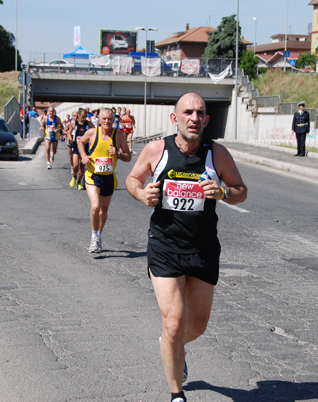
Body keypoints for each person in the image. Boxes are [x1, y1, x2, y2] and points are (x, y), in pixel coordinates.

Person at [125, 92, 247, 402]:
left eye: (200, 113)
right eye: (188, 112)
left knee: (196, 326)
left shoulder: (216, 153)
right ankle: (177, 393)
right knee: (175, 321)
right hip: (165, 245)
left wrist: (222, 192)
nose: (194, 117)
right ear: (175, 118)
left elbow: (240, 191)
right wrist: (141, 194)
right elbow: (132, 179)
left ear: (207, 120)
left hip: (203, 248)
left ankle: (172, 344)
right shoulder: (157, 149)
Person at [77, 108, 131, 253]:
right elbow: (80, 143)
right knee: (95, 206)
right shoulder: (92, 133)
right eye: (104, 119)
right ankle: (94, 236)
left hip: (108, 177)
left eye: (109, 119)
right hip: (92, 175)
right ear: (99, 120)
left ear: (113, 120)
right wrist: (83, 156)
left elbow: (128, 157)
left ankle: (99, 235)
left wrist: (118, 154)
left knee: (103, 211)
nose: (107, 121)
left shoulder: (119, 136)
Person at [66, 108, 94, 190]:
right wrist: (70, 139)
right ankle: (74, 176)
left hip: (85, 148)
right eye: (82, 116)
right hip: (76, 146)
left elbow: (95, 132)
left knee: (82, 167)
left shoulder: (88, 123)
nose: (84, 118)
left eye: (85, 116)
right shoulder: (74, 123)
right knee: (75, 165)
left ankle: (79, 182)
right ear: (78, 115)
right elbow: (68, 133)